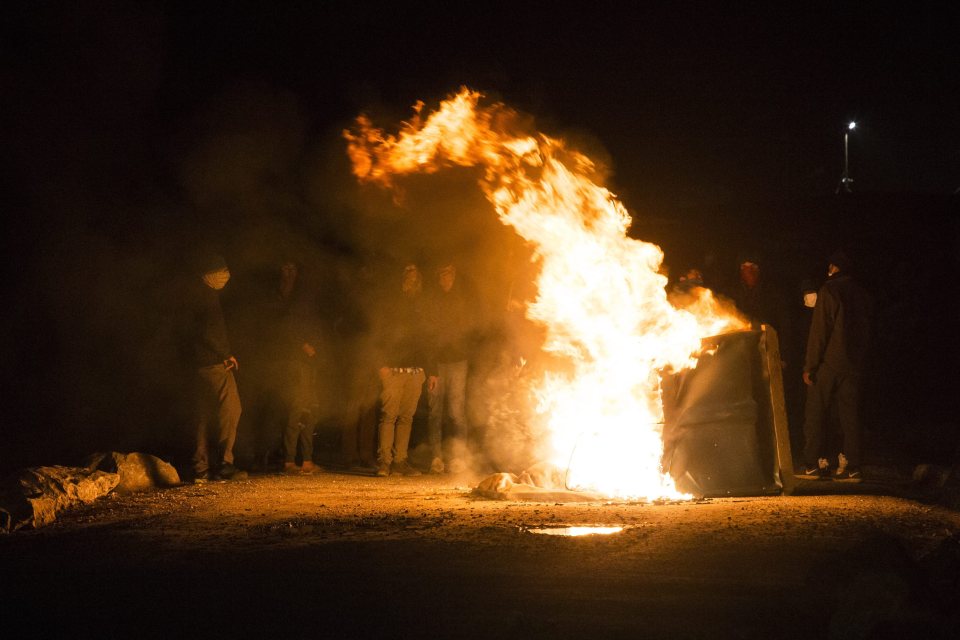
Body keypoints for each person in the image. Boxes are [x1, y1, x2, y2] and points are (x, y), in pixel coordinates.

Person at [798, 250, 875, 481]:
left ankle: (812, 464)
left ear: (833, 268)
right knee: (850, 416)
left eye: (830, 267)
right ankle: (853, 467)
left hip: (829, 363)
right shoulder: (863, 294)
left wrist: (810, 366)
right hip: (854, 364)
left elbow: (819, 332)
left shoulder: (829, 290)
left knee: (815, 411)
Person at [183, 253, 245, 482]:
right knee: (232, 409)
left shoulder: (191, 295)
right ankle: (224, 464)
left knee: (203, 415)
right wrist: (226, 353)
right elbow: (212, 331)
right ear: (209, 273)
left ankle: (200, 468)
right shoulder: (207, 296)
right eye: (221, 270)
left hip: (196, 364)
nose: (225, 275)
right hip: (212, 363)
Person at [372, 263, 438, 477]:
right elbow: (379, 333)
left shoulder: (423, 305)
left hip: (416, 370)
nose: (412, 278)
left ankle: (400, 461)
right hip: (393, 369)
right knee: (389, 416)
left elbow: (429, 339)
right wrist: (381, 363)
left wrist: (432, 371)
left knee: (406, 418)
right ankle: (385, 462)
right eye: (407, 273)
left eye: (415, 274)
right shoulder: (390, 302)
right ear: (402, 277)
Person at [426, 262, 476, 474]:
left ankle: (458, 458)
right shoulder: (433, 301)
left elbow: (471, 332)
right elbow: (427, 336)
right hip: (438, 364)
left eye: (449, 275)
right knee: (435, 412)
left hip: (458, 363)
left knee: (456, 412)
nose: (446, 279)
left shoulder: (463, 302)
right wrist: (431, 370)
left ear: (454, 277)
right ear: (439, 278)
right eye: (442, 275)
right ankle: (436, 457)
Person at [273, 261, 322, 475]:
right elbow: (286, 329)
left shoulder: (300, 296)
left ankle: (305, 460)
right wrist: (303, 345)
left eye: (293, 269)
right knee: (297, 410)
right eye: (286, 268)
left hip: (306, 363)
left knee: (308, 409)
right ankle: (291, 461)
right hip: (295, 364)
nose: (290, 273)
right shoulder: (282, 298)